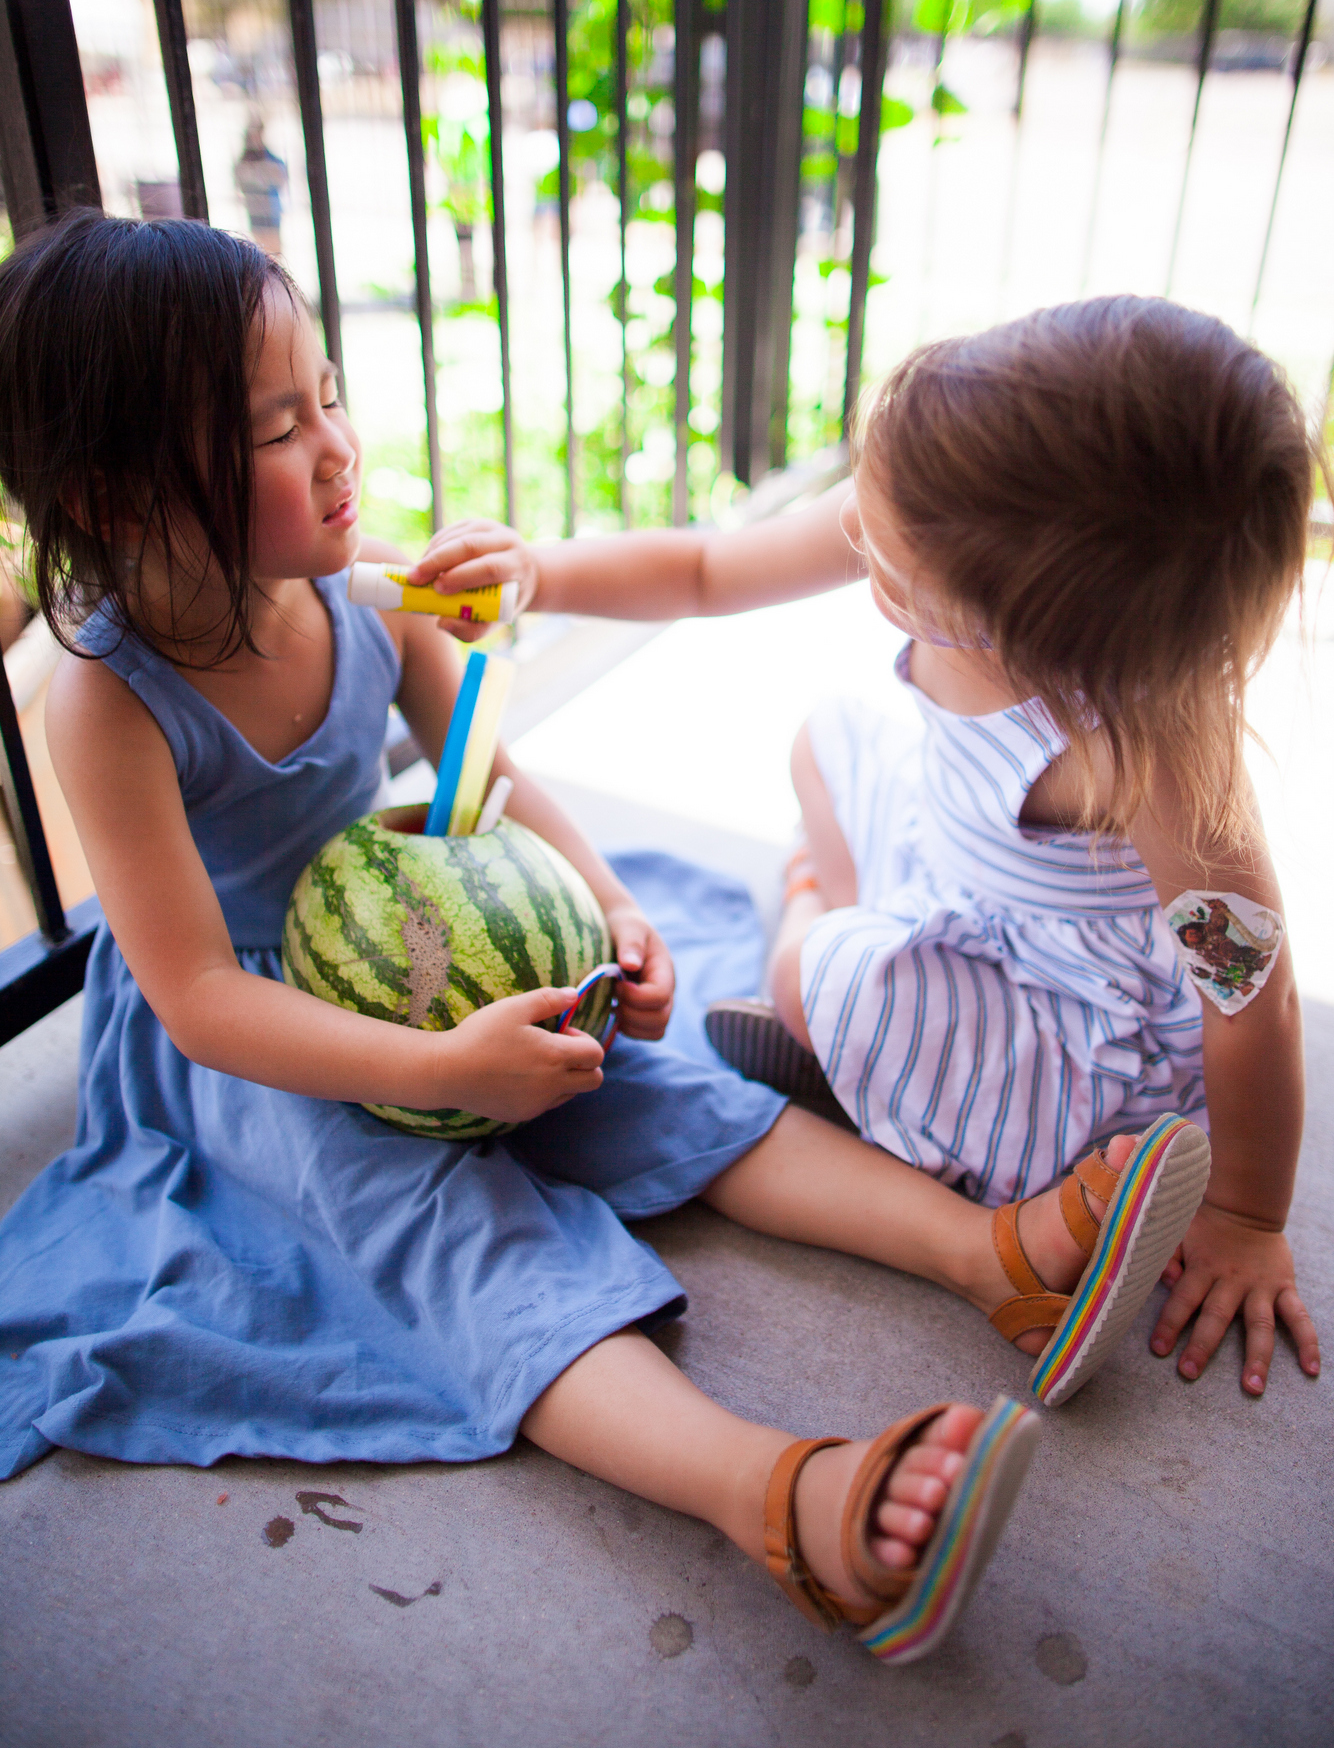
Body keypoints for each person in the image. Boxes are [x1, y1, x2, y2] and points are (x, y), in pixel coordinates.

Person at [1, 210, 1140, 1669]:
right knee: (449, 1231)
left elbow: (493, 770)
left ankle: (996, 1257)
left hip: (424, 941)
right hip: (269, 1042)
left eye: (330, 395)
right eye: (277, 428)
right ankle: (782, 1501)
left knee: (653, 1088)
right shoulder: (107, 704)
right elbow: (201, 996)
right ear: (116, 491)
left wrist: (607, 907)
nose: (338, 449)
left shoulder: (365, 601)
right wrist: (438, 1069)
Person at [407, 296, 1321, 1404]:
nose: (858, 539)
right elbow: (706, 570)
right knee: (828, 731)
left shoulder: (1155, 751)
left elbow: (1253, 1000)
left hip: (1070, 1013)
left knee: (815, 969)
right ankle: (878, 998)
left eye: (884, 554)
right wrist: (539, 574)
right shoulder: (941, 499)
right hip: (962, 873)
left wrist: (1244, 1213)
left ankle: (839, 967)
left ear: (1019, 623)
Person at [234, 117, 288, 256]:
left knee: (274, 254)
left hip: (271, 214)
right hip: (255, 215)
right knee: (262, 255)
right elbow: (240, 182)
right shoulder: (244, 161)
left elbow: (281, 178)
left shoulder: (271, 159)